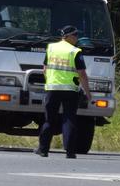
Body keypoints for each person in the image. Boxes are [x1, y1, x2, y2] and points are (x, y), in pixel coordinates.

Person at [35, 25, 91, 159]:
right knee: (69, 119)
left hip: (52, 89)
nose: (77, 38)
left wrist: (50, 81)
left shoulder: (51, 48)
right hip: (70, 90)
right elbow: (82, 74)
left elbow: (45, 68)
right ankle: (70, 152)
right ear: (68, 36)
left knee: (49, 119)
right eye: (75, 35)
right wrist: (88, 92)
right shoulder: (75, 51)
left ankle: (43, 150)